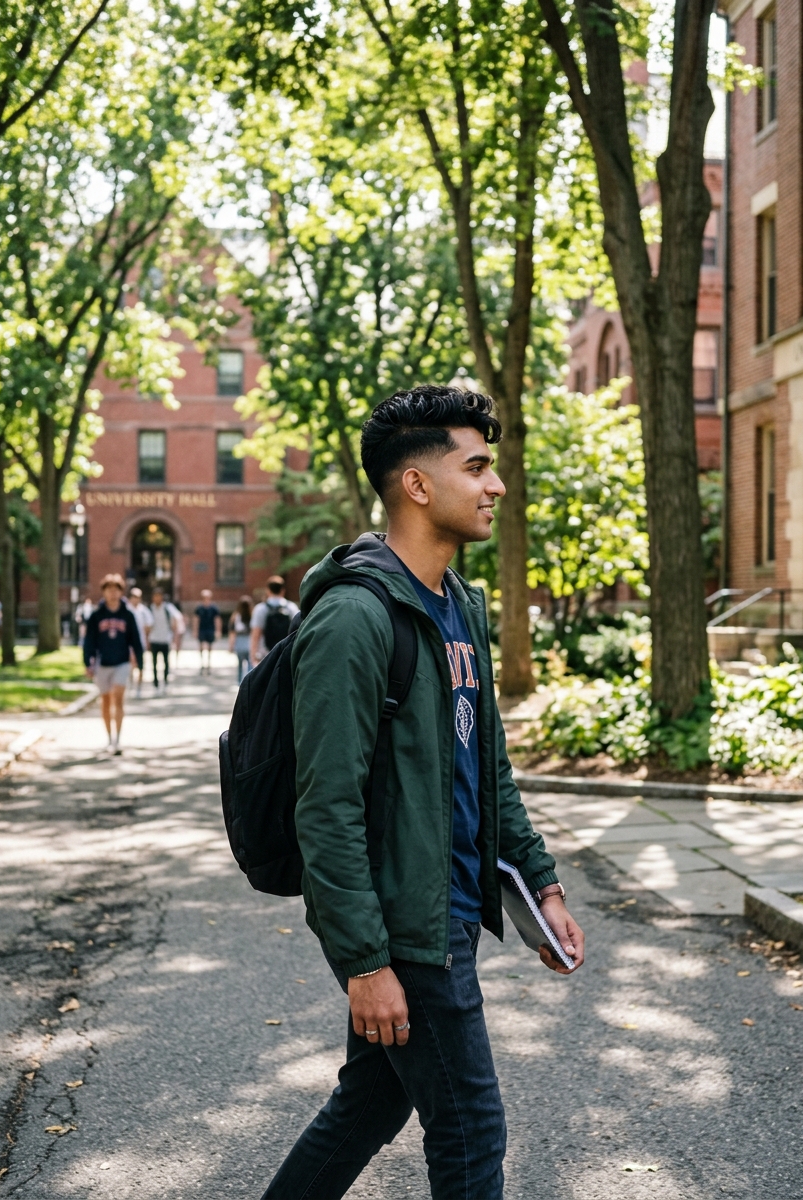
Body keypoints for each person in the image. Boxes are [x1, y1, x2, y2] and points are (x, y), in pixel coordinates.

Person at [260, 386, 584, 1200]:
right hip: (409, 929)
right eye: (475, 466)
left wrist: (538, 883)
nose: (495, 485)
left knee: (368, 1107)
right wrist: (366, 963)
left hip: (446, 913)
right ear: (415, 484)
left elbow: (488, 769)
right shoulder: (353, 621)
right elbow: (324, 809)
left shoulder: (461, 608)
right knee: (472, 1131)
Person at [82, 574, 143, 755]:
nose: (113, 593)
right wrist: (87, 662)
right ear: (104, 592)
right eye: (109, 590)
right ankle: (109, 737)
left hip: (122, 663)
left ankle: (117, 739)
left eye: (116, 590)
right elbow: (89, 641)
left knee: (118, 697)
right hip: (103, 664)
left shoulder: (128, 615)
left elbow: (136, 640)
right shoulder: (96, 616)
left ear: (121, 592)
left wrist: (139, 662)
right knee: (106, 701)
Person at [249, 575, 298, 665]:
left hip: (265, 655)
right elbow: (297, 631)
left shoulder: (260, 609)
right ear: (283, 590)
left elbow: (256, 634)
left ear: (268, 590)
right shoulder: (292, 608)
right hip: (286, 654)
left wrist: (253, 656)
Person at [148, 588, 183, 692]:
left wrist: (175, 636)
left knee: (166, 662)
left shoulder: (168, 608)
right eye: (155, 596)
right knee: (154, 663)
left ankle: (166, 682)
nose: (157, 598)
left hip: (165, 639)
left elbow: (177, 618)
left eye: (159, 596)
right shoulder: (150, 609)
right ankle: (155, 684)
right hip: (154, 639)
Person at [127, 587, 153, 697]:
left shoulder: (143, 611)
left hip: (140, 643)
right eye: (134, 597)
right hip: (127, 644)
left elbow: (149, 625)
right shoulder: (126, 610)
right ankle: (130, 686)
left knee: (140, 666)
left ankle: (139, 688)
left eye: (138, 597)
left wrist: (147, 639)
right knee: (130, 666)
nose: (136, 599)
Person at [193, 588, 222, 674]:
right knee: (201, 646)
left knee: (210, 647)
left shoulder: (214, 608)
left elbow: (217, 620)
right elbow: (196, 620)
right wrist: (195, 630)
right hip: (202, 629)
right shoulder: (199, 608)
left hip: (210, 629)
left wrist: (218, 630)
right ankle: (202, 664)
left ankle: (208, 665)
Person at [228, 595, 252, 683]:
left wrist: (231, 646)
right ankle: (249, 680)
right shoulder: (253, 615)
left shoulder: (235, 617)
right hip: (249, 641)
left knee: (240, 664)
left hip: (239, 641)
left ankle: (239, 682)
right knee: (250, 663)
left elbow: (232, 633)